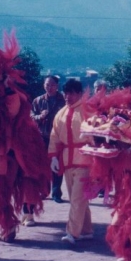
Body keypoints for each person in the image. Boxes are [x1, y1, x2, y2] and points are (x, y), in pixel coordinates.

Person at [48, 79, 94, 244]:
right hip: (67, 161)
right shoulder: (60, 113)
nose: (67, 96)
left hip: (84, 160)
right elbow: (54, 136)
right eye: (66, 93)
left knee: (76, 199)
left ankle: (72, 233)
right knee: (80, 199)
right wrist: (53, 156)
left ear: (79, 94)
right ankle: (86, 230)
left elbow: (97, 132)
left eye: (72, 93)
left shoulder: (88, 111)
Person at [32, 75, 66, 208]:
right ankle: (44, 191)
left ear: (57, 86)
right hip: (42, 137)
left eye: (52, 85)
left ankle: (56, 193)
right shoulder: (38, 101)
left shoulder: (63, 100)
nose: (49, 87)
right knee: (43, 165)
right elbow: (31, 115)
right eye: (47, 85)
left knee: (57, 165)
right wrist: (40, 116)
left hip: (57, 138)